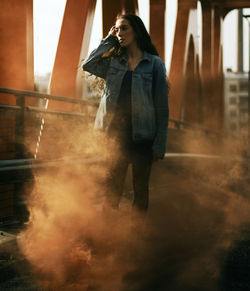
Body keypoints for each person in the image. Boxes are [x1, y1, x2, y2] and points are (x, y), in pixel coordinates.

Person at [82, 14, 169, 212]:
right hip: (115, 137)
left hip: (143, 138)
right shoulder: (114, 63)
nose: (120, 33)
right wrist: (108, 39)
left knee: (140, 191)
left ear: (136, 31)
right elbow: (89, 64)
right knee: (111, 190)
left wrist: (159, 144)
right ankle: (110, 236)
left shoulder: (154, 64)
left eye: (124, 28)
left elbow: (162, 108)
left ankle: (136, 238)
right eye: (117, 29)